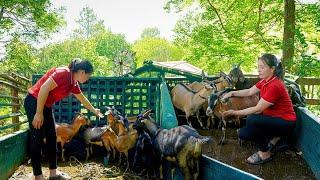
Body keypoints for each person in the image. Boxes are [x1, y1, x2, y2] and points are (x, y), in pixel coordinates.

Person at [24, 58, 103, 180]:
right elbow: (44, 88)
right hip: (34, 101)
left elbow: (82, 98)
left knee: (52, 137)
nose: (88, 78)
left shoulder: (73, 83)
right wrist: (39, 113)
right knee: (37, 138)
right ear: (82, 72)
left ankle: (53, 174)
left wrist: (94, 110)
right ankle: (38, 176)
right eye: (88, 75)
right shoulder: (64, 73)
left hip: (46, 105)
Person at [222, 53, 296, 165]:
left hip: (285, 122)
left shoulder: (275, 85)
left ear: (272, 69)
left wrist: (235, 113)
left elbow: (257, 109)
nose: (259, 70)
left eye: (262, 67)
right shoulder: (265, 81)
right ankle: (275, 138)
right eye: (258, 67)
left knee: (252, 121)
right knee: (245, 130)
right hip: (273, 118)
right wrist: (231, 92)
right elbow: (249, 91)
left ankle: (265, 153)